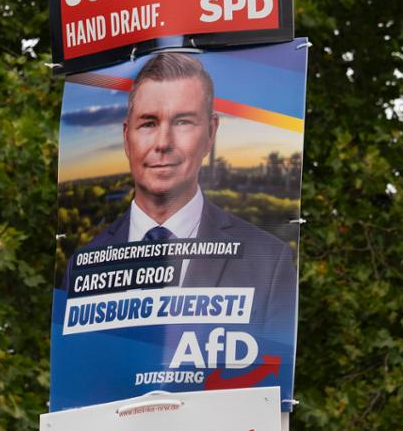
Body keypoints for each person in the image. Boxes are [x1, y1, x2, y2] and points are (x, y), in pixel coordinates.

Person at [67, 52, 296, 334]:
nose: (163, 143)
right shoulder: (82, 266)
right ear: (127, 137)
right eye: (149, 123)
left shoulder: (268, 261)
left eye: (183, 122)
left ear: (211, 133)